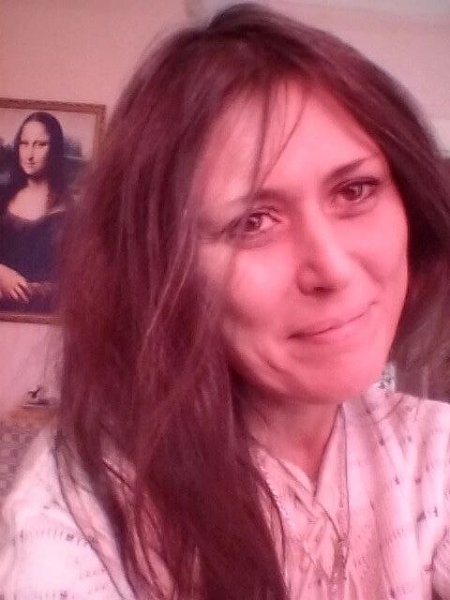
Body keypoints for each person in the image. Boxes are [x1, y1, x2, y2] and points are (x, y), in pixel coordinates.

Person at [1, 3, 450, 598]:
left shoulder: (432, 454)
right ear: (166, 269)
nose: (334, 269)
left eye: (355, 189)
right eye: (253, 222)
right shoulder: (81, 513)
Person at [0, 111, 68, 313]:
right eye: (24, 143)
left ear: (54, 149)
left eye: (40, 144)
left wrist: (22, 290)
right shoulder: (2, 198)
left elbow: (70, 282)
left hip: (38, 317)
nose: (29, 155)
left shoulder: (67, 211)